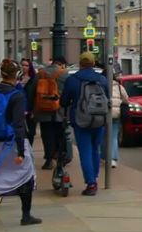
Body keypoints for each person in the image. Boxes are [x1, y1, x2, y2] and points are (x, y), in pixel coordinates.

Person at [0, 60, 40, 226]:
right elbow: (18, 124)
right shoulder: (17, 95)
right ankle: (26, 216)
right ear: (18, 75)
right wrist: (21, 151)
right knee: (27, 176)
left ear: (0, 74)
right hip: (12, 143)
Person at [62, 52, 109, 196]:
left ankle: (91, 183)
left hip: (81, 120)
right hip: (99, 120)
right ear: (93, 63)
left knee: (85, 152)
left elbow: (64, 101)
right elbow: (107, 97)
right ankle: (94, 177)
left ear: (80, 63)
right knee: (95, 149)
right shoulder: (102, 79)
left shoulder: (73, 80)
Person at [31, 56, 69, 170]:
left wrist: (32, 108)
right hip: (59, 110)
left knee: (47, 134)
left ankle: (48, 160)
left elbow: (32, 91)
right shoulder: (64, 74)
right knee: (60, 133)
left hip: (43, 110)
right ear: (62, 64)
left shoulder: (40, 74)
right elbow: (69, 91)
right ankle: (60, 157)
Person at [108, 72, 128, 168]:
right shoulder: (120, 87)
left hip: (104, 114)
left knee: (103, 136)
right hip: (116, 114)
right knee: (114, 137)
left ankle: (103, 156)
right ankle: (113, 159)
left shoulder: (101, 85)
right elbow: (126, 100)